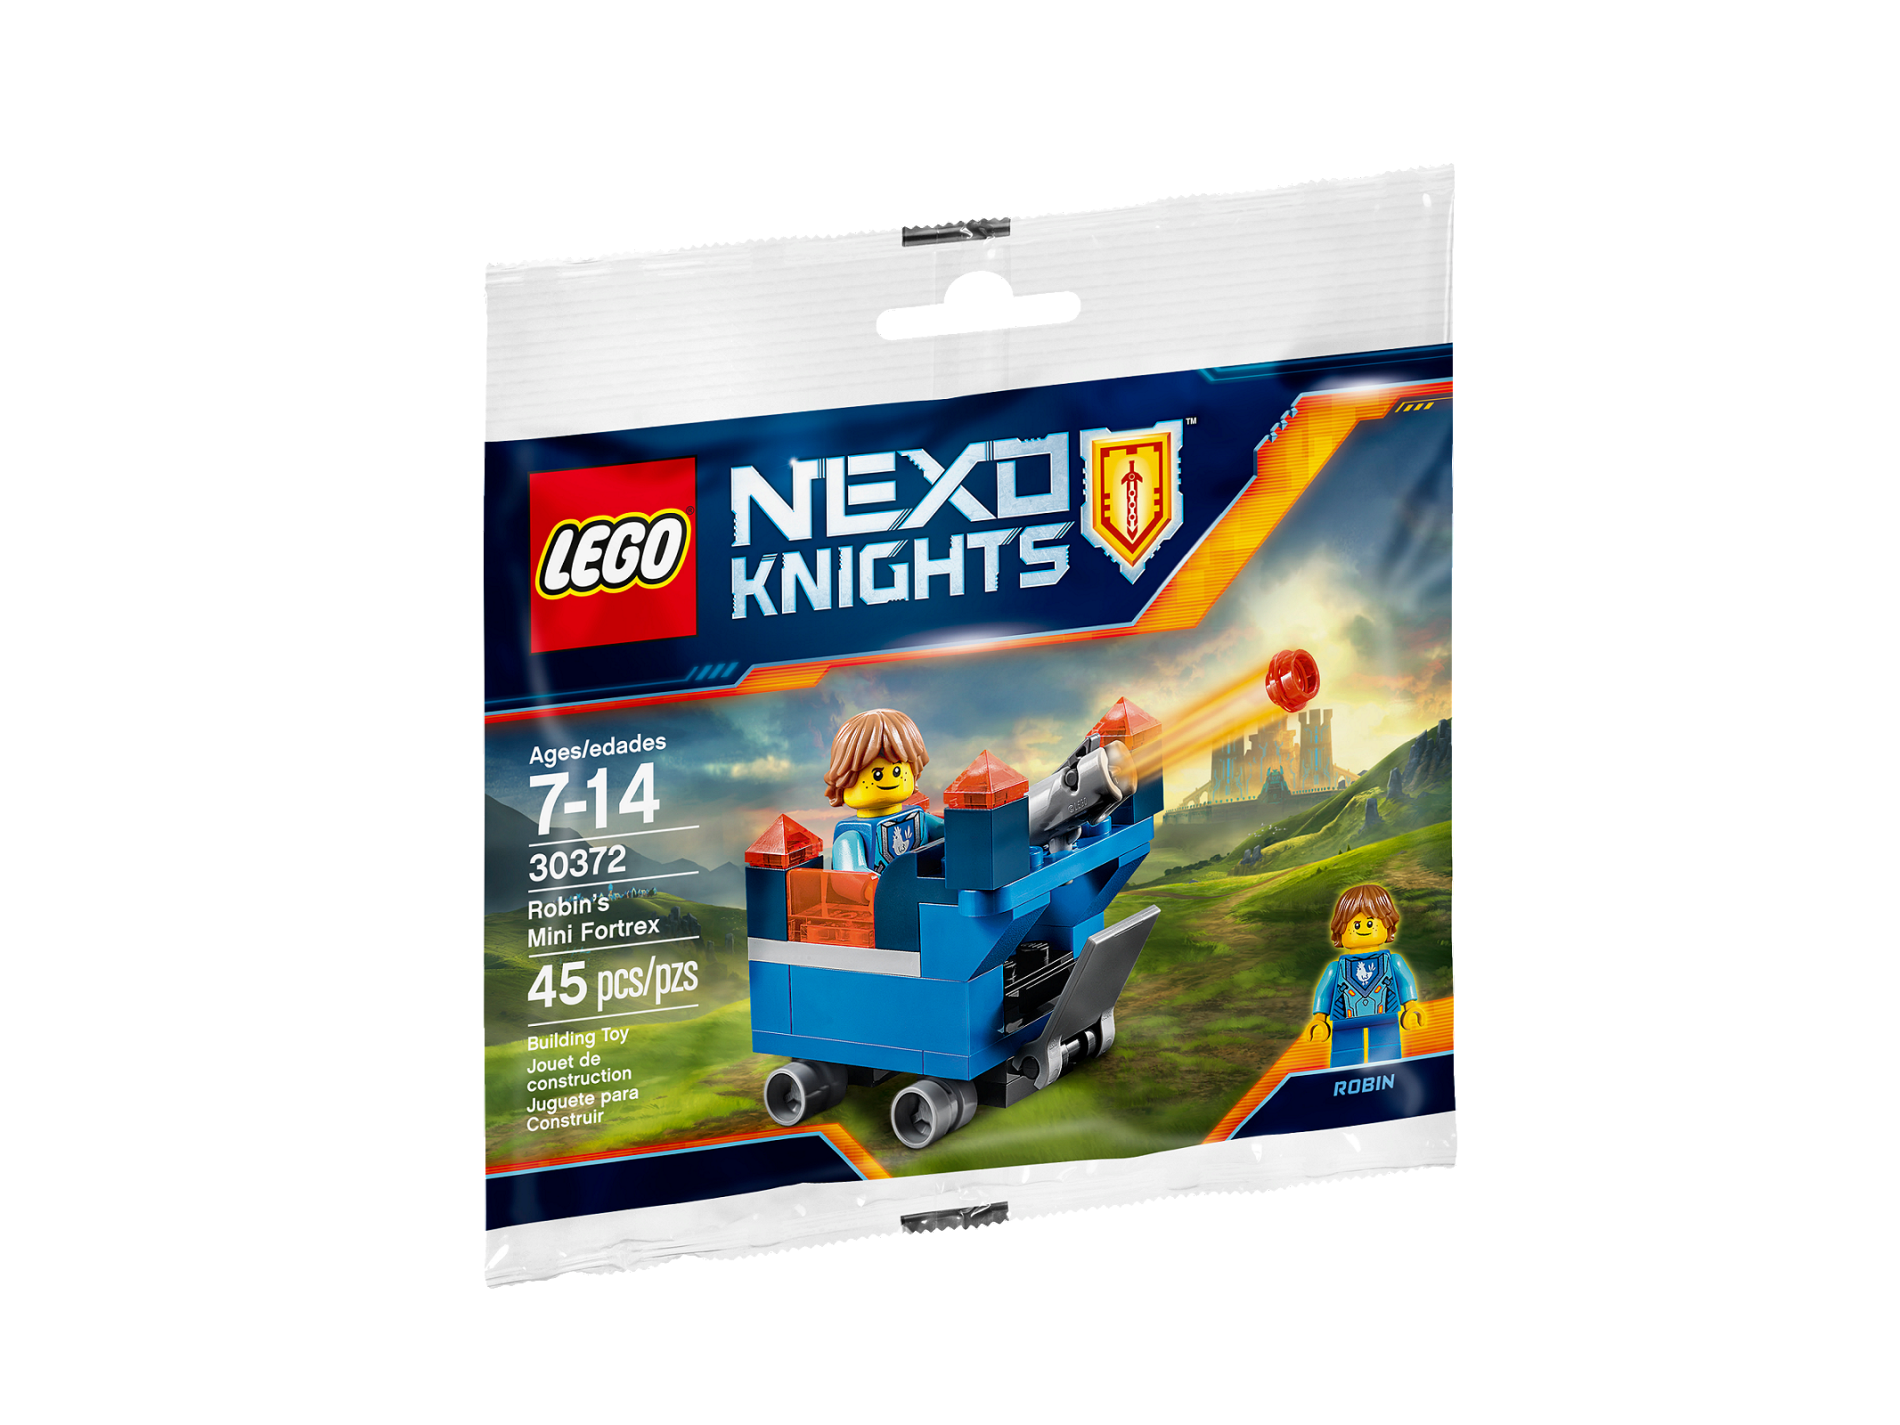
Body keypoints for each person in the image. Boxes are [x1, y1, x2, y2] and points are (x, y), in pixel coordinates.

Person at [1303, 882, 1424, 1067]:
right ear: (1340, 929)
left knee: (1387, 1057)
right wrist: (1319, 1018)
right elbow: (1324, 992)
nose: (1362, 928)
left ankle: (1387, 1077)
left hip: (1385, 1015)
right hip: (1345, 1019)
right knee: (1345, 1060)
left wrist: (1411, 1006)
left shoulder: (1393, 961)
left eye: (1370, 922)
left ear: (1388, 924)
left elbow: (1405, 982)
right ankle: (1345, 1079)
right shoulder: (1336, 968)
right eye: (1356, 924)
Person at [824, 708, 944, 872]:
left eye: (897, 770)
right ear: (844, 778)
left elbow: (945, 830)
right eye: (878, 774)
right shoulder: (851, 837)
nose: (893, 777)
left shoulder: (918, 818)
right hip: (885, 888)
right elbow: (852, 875)